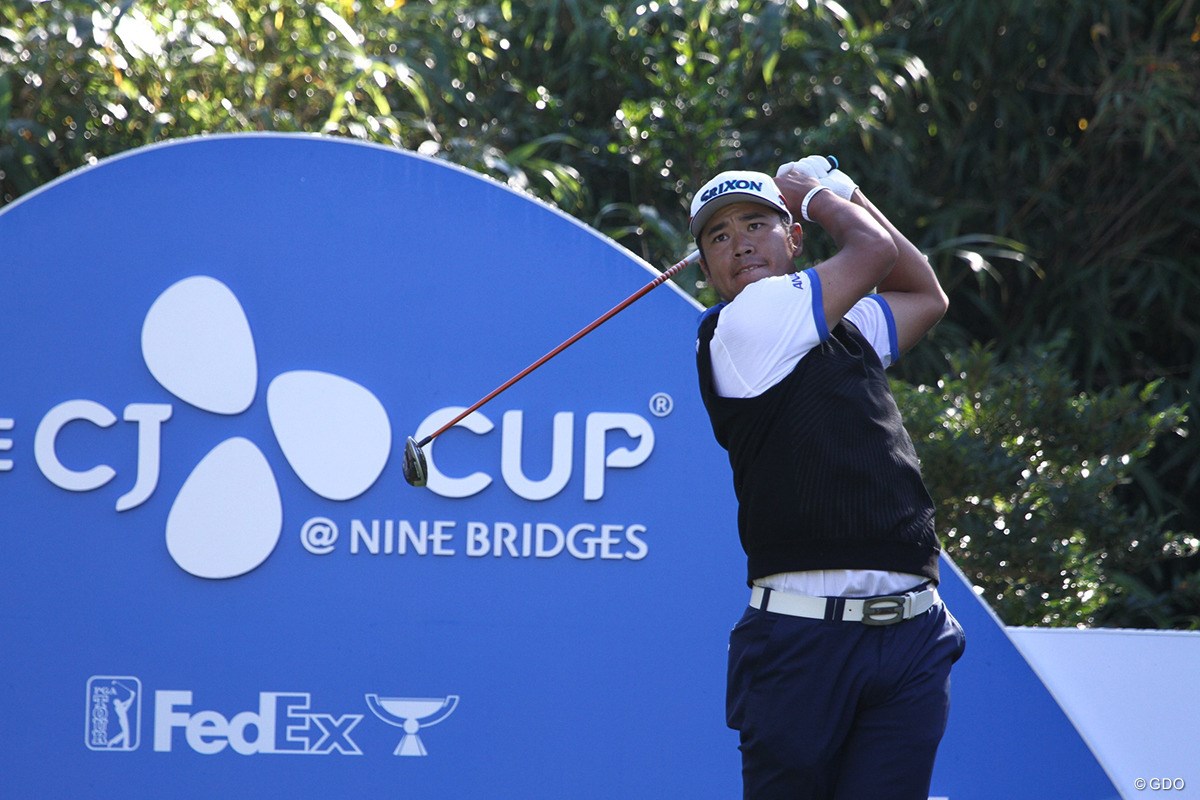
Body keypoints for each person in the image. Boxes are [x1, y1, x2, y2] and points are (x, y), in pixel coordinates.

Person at [689, 157, 966, 799]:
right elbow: (873, 251)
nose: (740, 243)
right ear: (706, 270)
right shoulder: (744, 323)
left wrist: (847, 192)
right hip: (803, 642)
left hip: (913, 631)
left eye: (756, 224)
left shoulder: (848, 327)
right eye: (719, 236)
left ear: (793, 240)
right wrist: (817, 193)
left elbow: (925, 295)